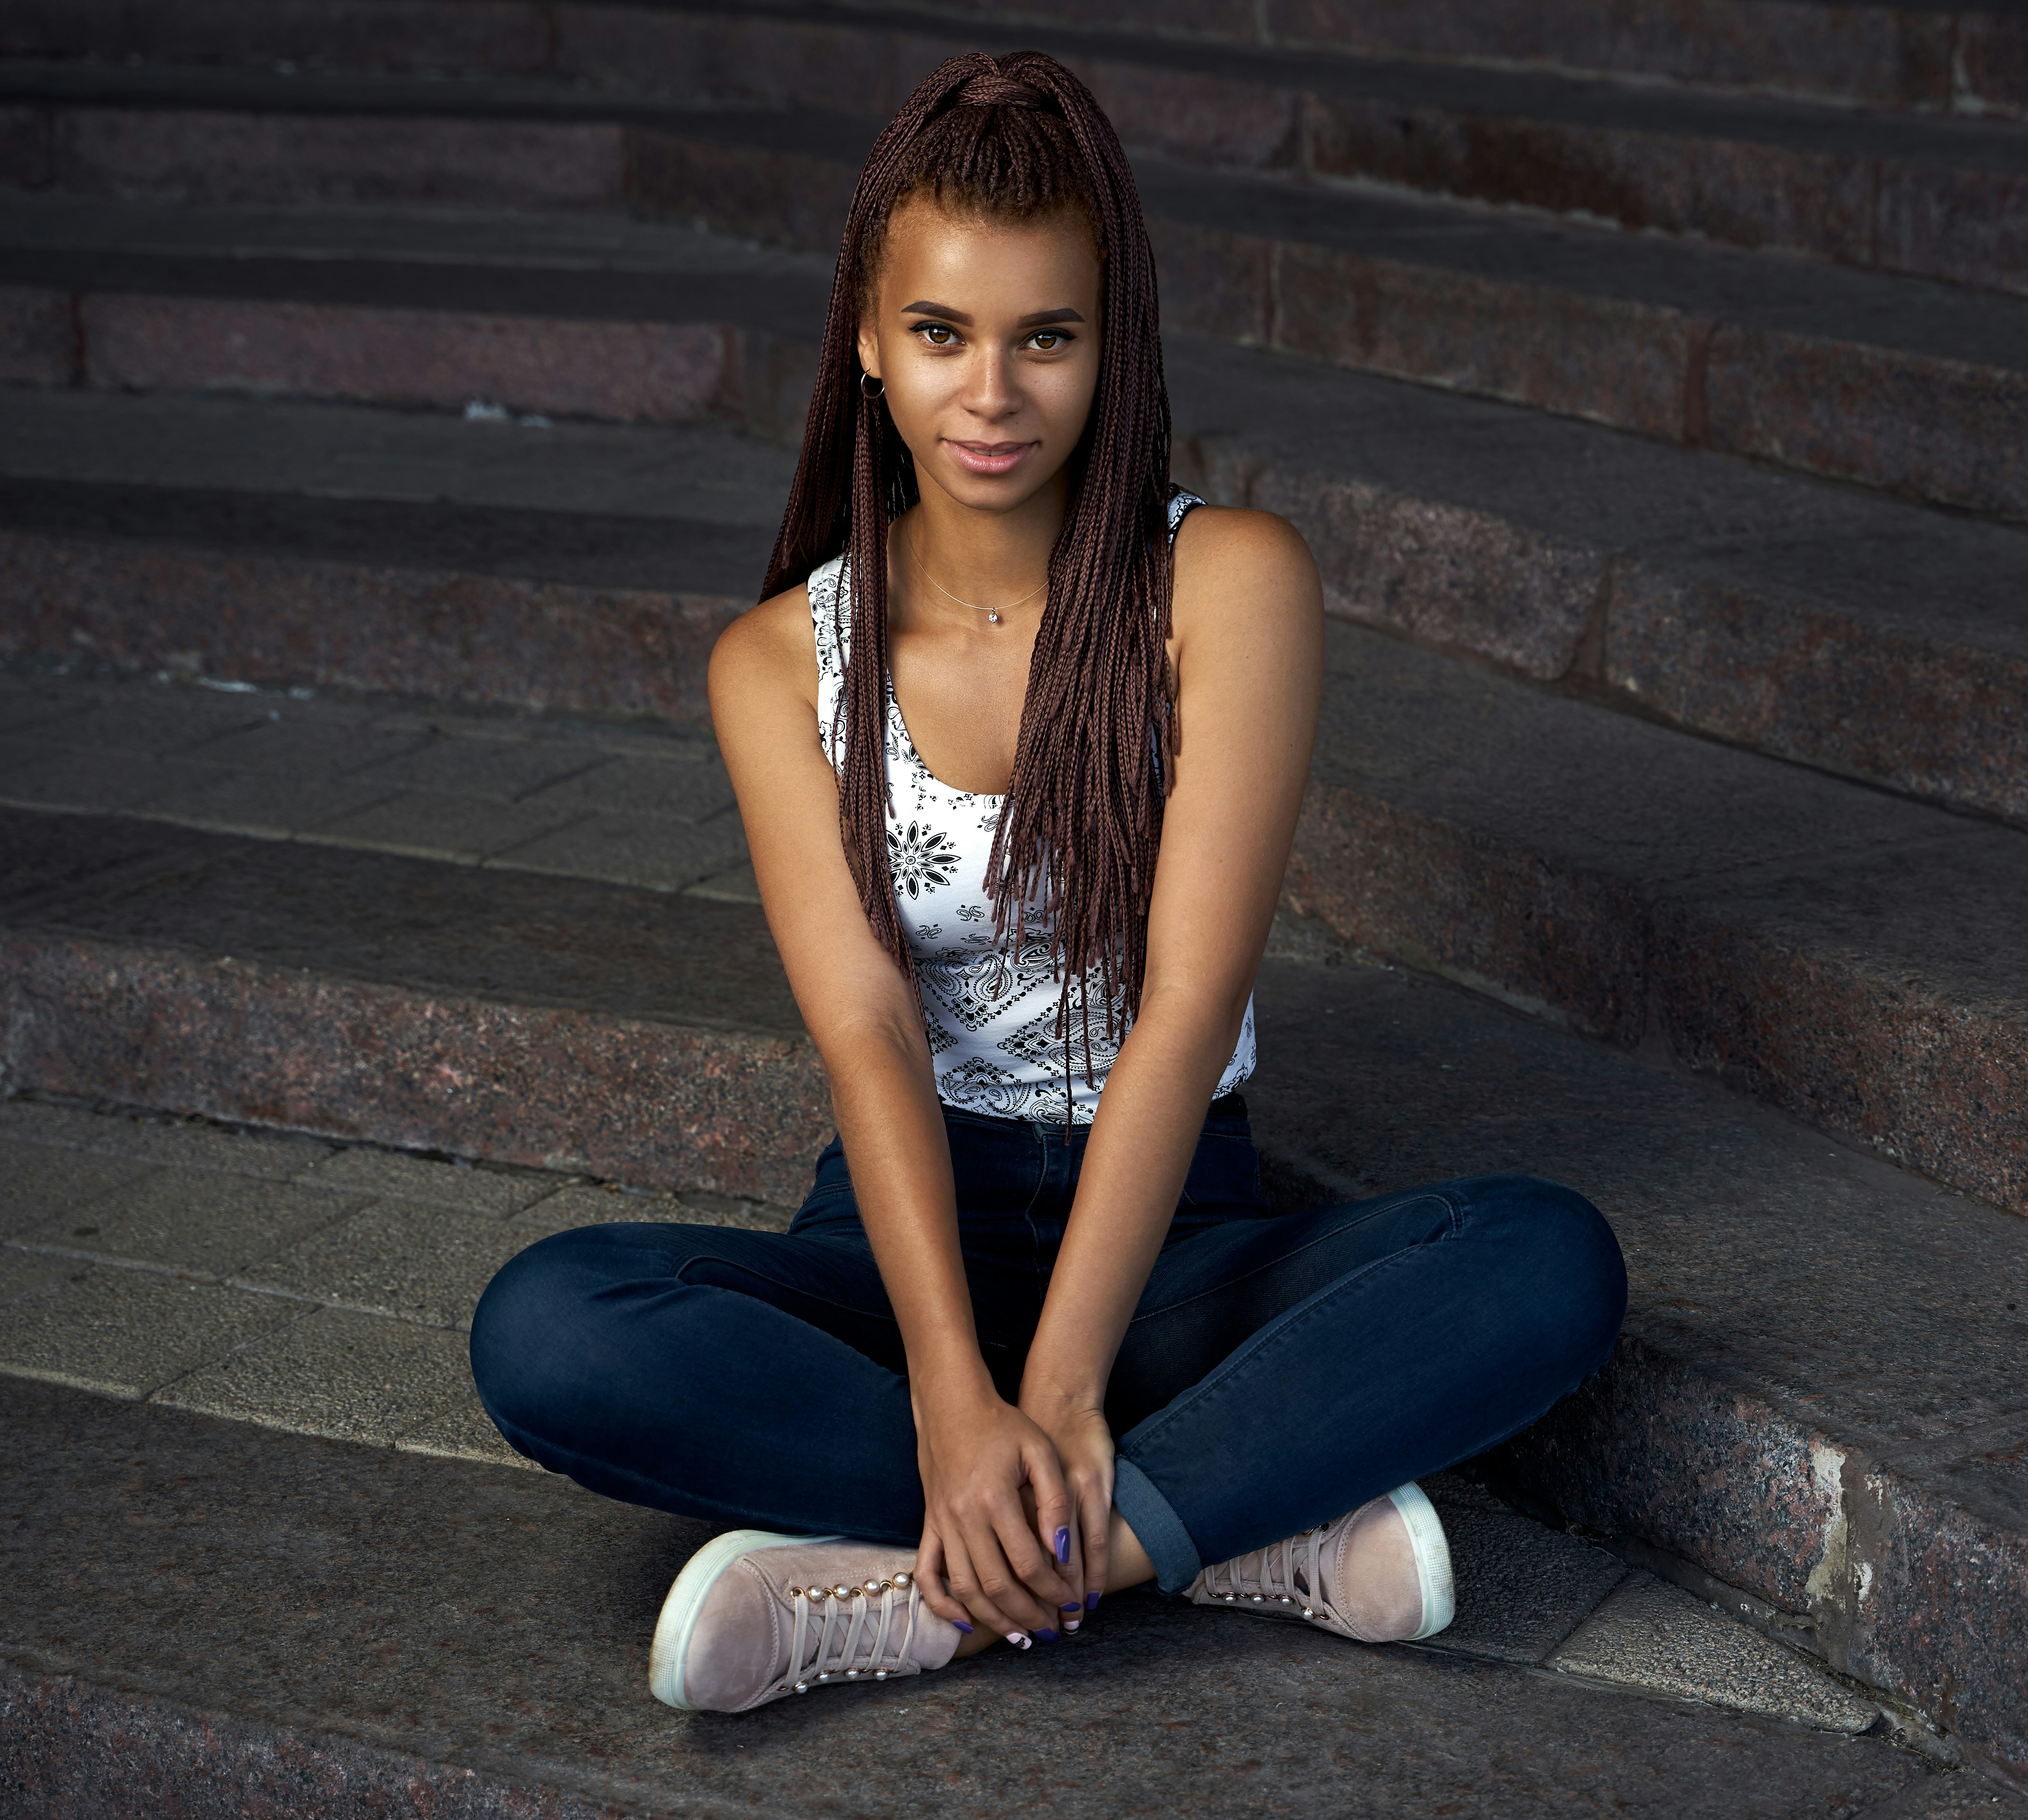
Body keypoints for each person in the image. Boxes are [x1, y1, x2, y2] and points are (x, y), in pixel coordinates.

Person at [467, 50, 1627, 1714]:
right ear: (869, 341)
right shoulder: (774, 662)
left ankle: (916, 1584)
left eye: (1045, 337)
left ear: (1110, 344)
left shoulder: (1224, 586)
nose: (990, 395)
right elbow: (866, 1024)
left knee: (1543, 1260)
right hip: (899, 1252)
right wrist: (950, 1388)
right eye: (940, 334)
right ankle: (1220, 1531)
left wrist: (1067, 1381)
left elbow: (1184, 1010)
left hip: (1174, 1251)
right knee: (552, 1325)